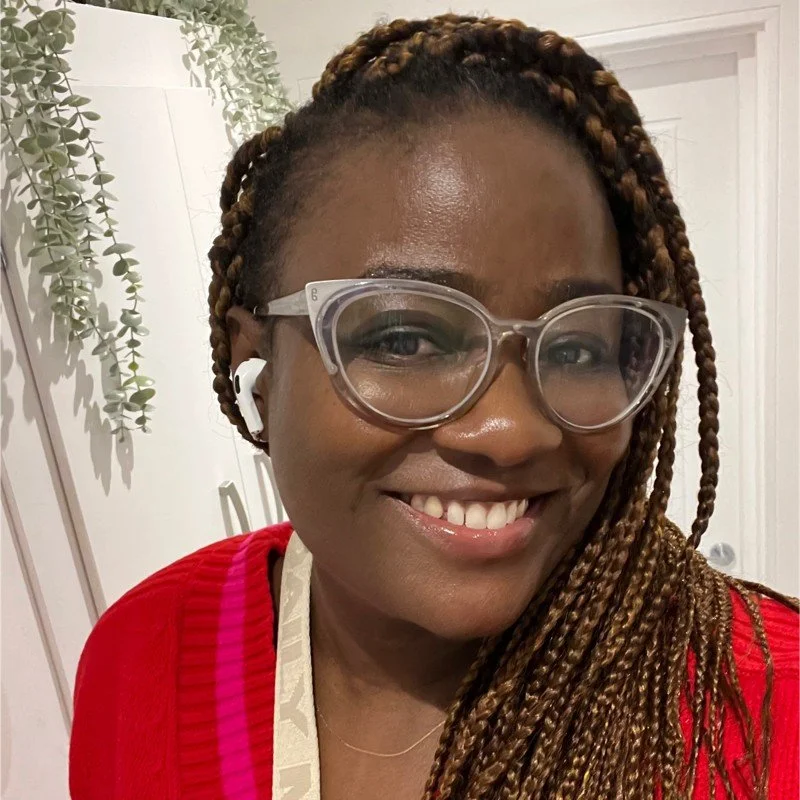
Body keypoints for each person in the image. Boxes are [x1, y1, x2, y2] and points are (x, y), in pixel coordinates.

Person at [69, 13, 798, 800]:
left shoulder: (767, 709)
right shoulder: (144, 654)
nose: (514, 431)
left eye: (579, 347)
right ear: (260, 359)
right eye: (407, 338)